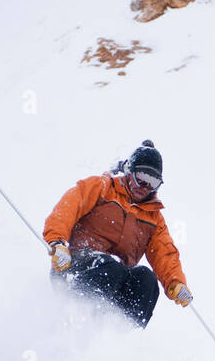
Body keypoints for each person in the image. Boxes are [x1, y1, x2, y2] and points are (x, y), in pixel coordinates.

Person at [42, 140, 192, 328]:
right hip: (76, 266)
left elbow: (165, 253)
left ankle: (119, 336)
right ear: (130, 171)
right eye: (141, 177)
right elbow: (68, 208)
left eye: (152, 183)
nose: (144, 186)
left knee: (146, 280)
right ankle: (78, 315)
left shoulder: (154, 218)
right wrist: (57, 243)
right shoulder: (103, 187)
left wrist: (176, 283)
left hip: (114, 280)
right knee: (110, 267)